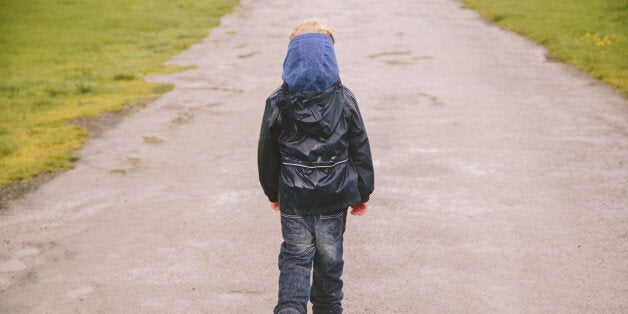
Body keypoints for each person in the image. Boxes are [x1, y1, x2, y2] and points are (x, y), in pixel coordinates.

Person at [258, 18, 374, 314]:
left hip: (295, 199)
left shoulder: (277, 101)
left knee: (295, 258)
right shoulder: (345, 99)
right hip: (333, 198)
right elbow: (359, 146)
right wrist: (363, 191)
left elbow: (267, 153)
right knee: (329, 260)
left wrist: (274, 192)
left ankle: (290, 309)